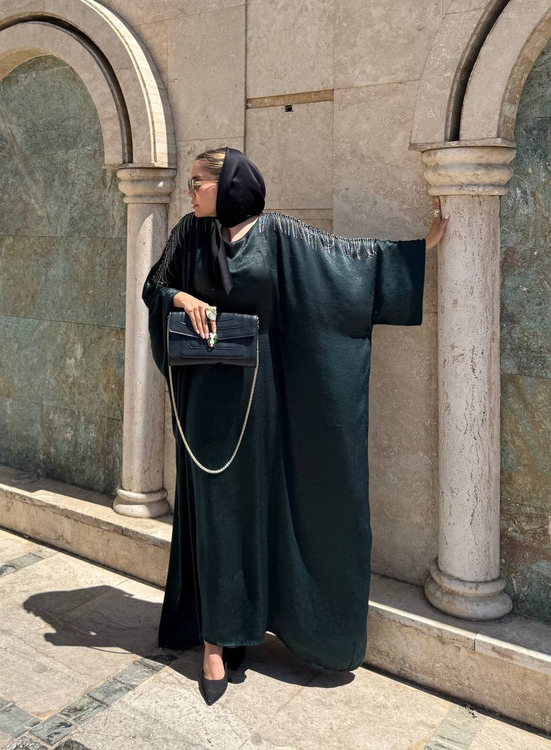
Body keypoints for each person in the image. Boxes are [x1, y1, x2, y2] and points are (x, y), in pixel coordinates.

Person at [142, 146, 449, 705]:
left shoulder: (277, 234)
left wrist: (416, 250)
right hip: (205, 399)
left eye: (197, 183)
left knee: (261, 509)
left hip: (265, 398)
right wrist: (181, 296)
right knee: (216, 514)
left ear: (228, 185)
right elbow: (152, 288)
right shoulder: (189, 234)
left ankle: (255, 623)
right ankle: (214, 642)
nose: (190, 193)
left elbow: (344, 265)